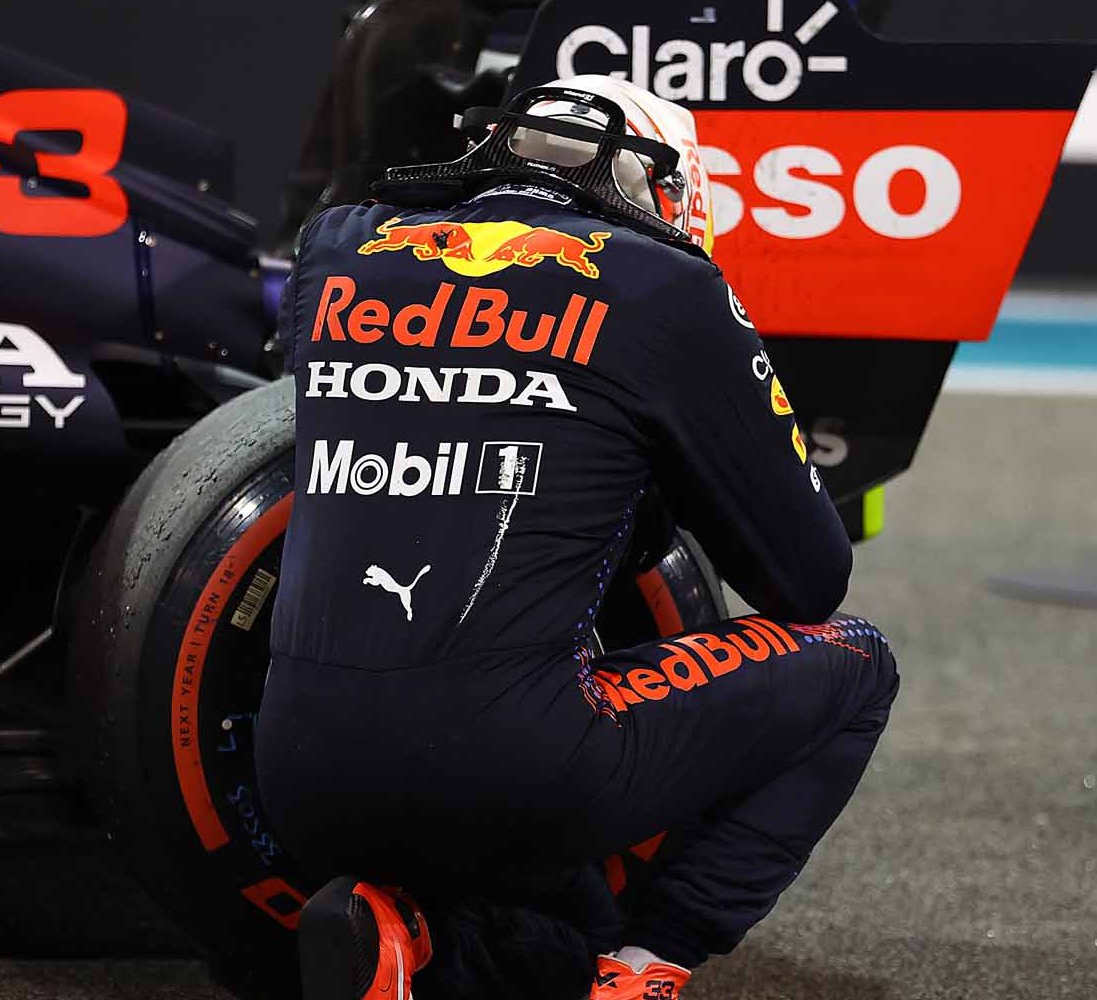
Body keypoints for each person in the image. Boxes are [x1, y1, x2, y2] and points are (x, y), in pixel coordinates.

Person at [257, 75, 900, 1000]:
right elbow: (806, 579)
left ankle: (410, 931)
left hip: (296, 770)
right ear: (662, 190)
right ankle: (645, 970)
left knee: (554, 927)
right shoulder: (666, 286)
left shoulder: (338, 247)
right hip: (515, 762)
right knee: (858, 662)